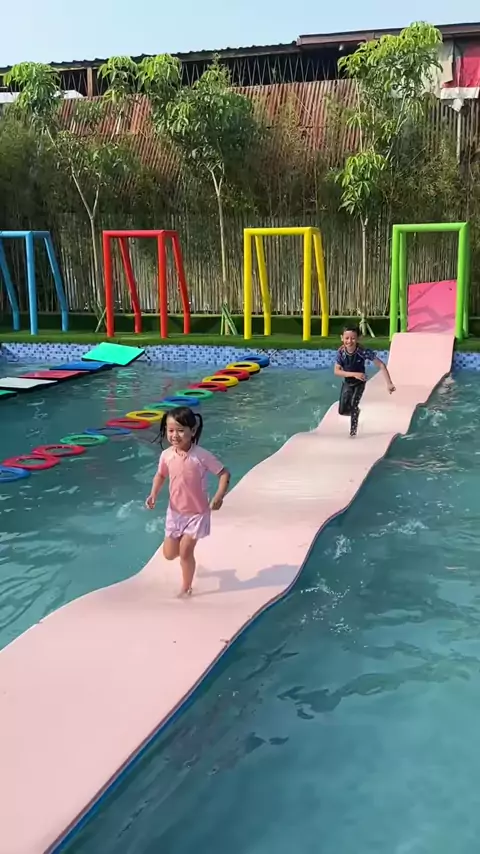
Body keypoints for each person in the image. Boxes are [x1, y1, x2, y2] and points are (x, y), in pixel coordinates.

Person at [145, 406, 230, 596]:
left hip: (197, 514)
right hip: (175, 513)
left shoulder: (201, 456)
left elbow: (224, 473)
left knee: (185, 552)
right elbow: (160, 475)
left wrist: (219, 496)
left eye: (180, 430)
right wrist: (153, 494)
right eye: (170, 430)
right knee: (169, 554)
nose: (174, 435)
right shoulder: (166, 455)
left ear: (192, 431)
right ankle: (187, 564)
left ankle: (186, 587)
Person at [334, 325, 395, 437]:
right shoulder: (341, 353)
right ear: (342, 338)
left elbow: (381, 365)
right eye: (347, 338)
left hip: (360, 383)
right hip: (347, 382)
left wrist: (389, 383)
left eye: (353, 338)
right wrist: (354, 374)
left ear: (358, 338)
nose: (349, 341)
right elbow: (337, 371)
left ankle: (353, 433)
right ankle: (356, 412)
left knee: (353, 404)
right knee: (342, 411)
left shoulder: (362, 352)